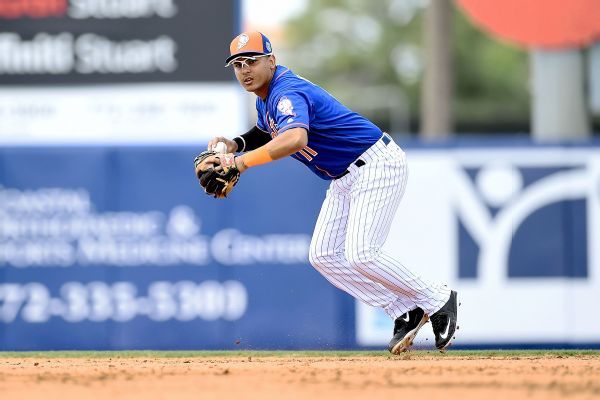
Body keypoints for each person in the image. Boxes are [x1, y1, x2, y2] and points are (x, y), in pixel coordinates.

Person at [201, 31, 458, 353]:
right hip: (345, 176)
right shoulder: (267, 98)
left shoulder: (287, 92)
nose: (244, 70)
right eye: (238, 64)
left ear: (272, 60)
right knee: (323, 255)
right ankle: (404, 310)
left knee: (362, 253)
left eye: (251, 61)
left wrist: (240, 163)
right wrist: (235, 144)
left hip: (376, 164)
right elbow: (265, 131)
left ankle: (437, 298)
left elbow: (295, 139)